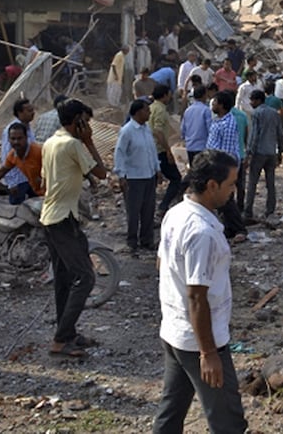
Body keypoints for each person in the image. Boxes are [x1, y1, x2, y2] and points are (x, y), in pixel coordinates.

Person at [153, 149, 248, 434]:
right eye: (231, 184)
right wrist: (208, 353)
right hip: (199, 342)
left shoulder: (176, 213)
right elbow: (196, 296)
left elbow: (162, 264)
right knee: (228, 421)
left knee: (171, 411)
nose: (234, 191)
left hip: (175, 331)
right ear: (211, 186)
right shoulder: (201, 232)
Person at [41, 98, 108, 357]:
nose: (88, 126)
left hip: (53, 216)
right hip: (63, 219)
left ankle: (67, 333)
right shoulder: (72, 144)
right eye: (86, 121)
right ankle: (60, 339)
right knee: (86, 278)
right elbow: (102, 173)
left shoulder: (50, 142)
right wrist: (89, 141)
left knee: (65, 279)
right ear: (78, 120)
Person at [114, 99, 162, 257]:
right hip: (134, 177)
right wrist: (120, 175)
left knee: (148, 209)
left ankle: (147, 240)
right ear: (138, 112)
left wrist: (157, 169)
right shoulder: (127, 131)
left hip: (148, 175)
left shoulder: (146, 128)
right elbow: (119, 153)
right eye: (147, 110)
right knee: (134, 211)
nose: (149, 113)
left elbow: (152, 151)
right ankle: (132, 241)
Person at [207, 91, 247, 242]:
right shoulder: (218, 120)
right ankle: (229, 228)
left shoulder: (228, 123)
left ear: (222, 105)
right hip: (215, 164)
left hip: (222, 166)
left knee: (227, 199)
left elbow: (228, 149)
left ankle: (239, 228)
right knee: (222, 200)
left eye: (215, 101)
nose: (213, 104)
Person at [244, 90, 281, 221]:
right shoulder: (274, 113)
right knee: (270, 183)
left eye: (252, 100)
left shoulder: (257, 113)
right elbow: (279, 133)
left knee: (253, 182)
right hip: (271, 152)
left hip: (259, 152)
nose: (251, 103)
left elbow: (254, 135)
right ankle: (270, 210)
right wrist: (280, 151)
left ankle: (248, 211)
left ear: (258, 100)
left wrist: (249, 153)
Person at [0, 122, 44, 204]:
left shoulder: (38, 152)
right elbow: (1, 172)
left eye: (20, 138)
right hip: (37, 191)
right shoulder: (13, 155)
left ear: (26, 138)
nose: (16, 142)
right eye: (13, 139)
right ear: (8, 139)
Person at [150, 85, 184, 215]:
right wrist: (168, 150)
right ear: (164, 95)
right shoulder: (160, 110)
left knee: (152, 182)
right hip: (159, 150)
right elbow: (158, 131)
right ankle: (163, 207)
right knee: (176, 178)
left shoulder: (151, 107)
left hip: (151, 150)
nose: (170, 97)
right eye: (169, 94)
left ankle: (151, 211)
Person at [0, 98, 36, 195]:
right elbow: (6, 156)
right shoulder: (12, 131)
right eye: (29, 111)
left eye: (32, 110)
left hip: (29, 178)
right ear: (20, 113)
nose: (33, 113)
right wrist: (12, 182)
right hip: (18, 180)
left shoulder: (28, 128)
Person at [181, 85, 212, 166]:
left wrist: (185, 139)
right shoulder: (206, 110)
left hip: (190, 146)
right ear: (204, 95)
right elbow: (210, 129)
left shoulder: (188, 110)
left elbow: (183, 129)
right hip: (203, 147)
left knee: (194, 172)